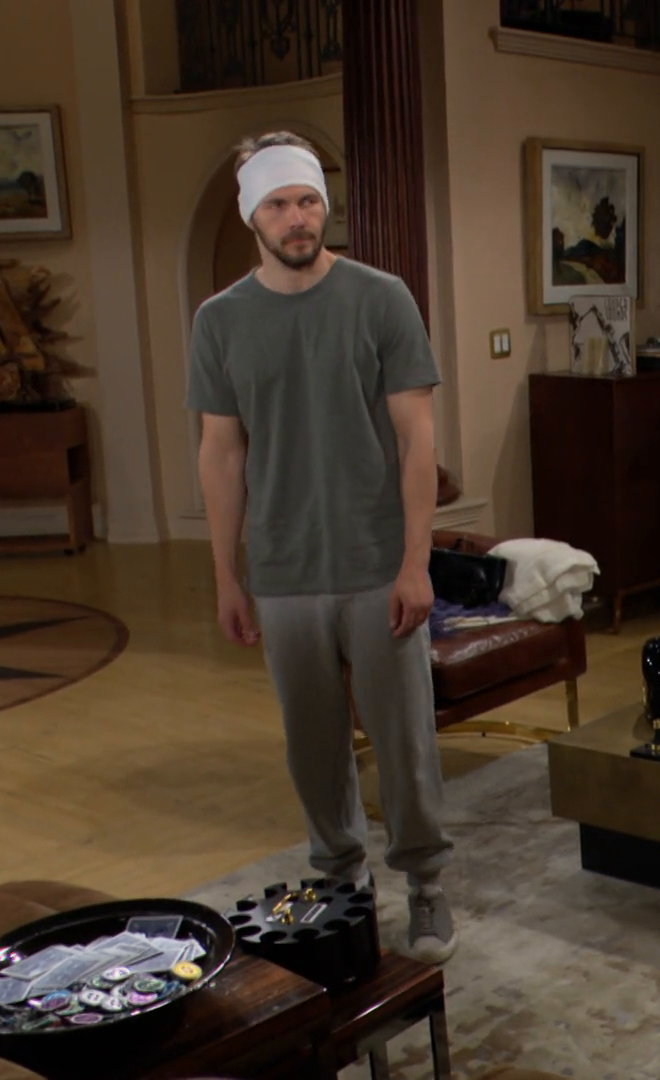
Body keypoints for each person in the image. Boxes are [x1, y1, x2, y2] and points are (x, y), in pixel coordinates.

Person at [187, 131, 457, 965]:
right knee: (311, 745)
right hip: (283, 567)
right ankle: (342, 884)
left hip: (376, 560)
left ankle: (426, 883)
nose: (297, 218)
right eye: (278, 205)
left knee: (403, 740)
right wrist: (226, 575)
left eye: (307, 201)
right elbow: (220, 453)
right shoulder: (220, 321)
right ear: (252, 217)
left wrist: (415, 562)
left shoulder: (381, 299)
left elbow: (417, 439)